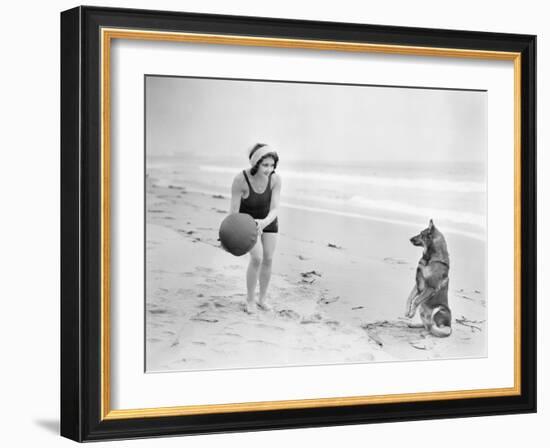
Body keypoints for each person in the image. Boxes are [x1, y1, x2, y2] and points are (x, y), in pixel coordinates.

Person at [229, 143, 282, 312]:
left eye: (272, 165)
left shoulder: (275, 179)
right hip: (247, 223)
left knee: (268, 259)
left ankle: (262, 299)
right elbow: (233, 213)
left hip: (268, 221)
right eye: (265, 165)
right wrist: (233, 233)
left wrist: (264, 222)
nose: (269, 169)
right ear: (255, 163)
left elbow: (274, 209)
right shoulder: (240, 180)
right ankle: (250, 300)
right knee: (257, 258)